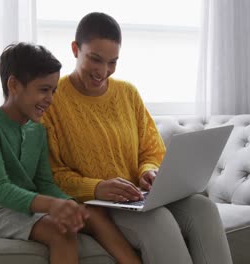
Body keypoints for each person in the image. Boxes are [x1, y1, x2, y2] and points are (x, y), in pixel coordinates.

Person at [42, 13, 233, 264]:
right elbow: (51, 174)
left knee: (203, 208)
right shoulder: (51, 102)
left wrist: (149, 171)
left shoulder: (128, 93)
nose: (103, 71)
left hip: (141, 196)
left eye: (112, 62)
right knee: (158, 221)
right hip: (102, 206)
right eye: (95, 59)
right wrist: (97, 187)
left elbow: (150, 150)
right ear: (75, 49)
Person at [0, 42, 141, 264]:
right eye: (43, 90)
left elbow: (44, 182)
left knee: (94, 215)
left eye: (53, 90)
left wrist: (69, 203)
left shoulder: (37, 130)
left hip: (28, 209)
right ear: (14, 85)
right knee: (61, 231)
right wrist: (51, 206)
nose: (50, 98)